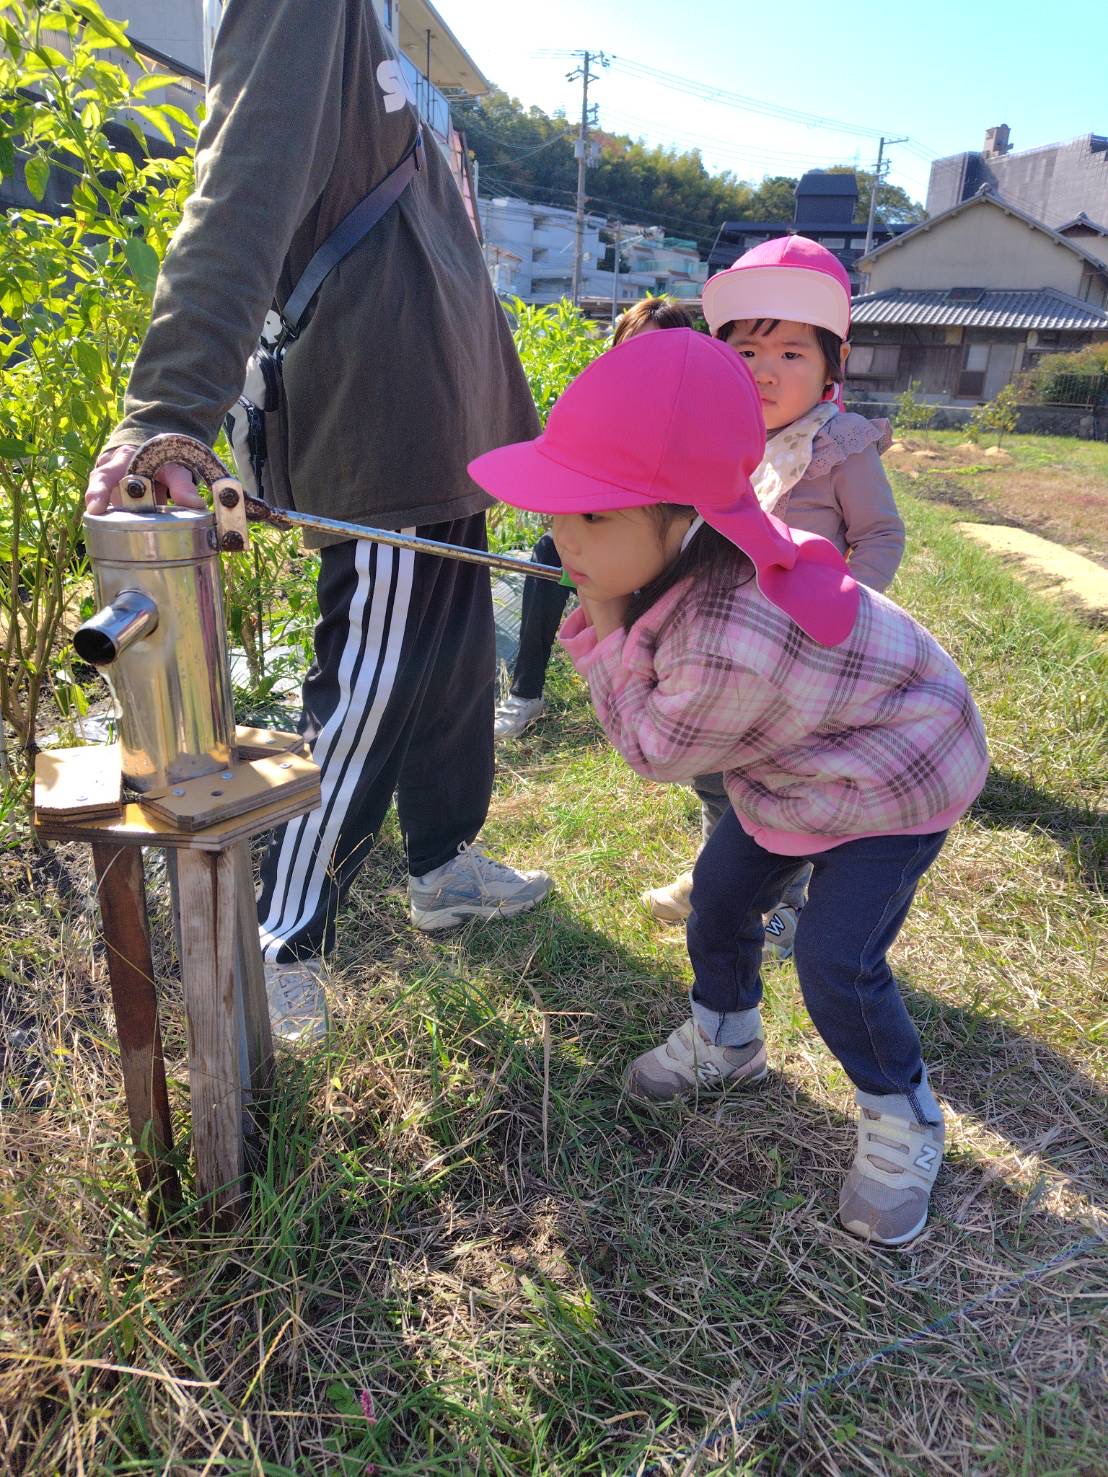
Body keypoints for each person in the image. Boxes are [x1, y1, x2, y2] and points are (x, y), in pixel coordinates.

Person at [84, 0, 551, 1045]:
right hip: (385, 413)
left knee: (452, 661)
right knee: (372, 682)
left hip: (441, 407)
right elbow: (243, 184)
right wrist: (167, 407)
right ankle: (281, 935)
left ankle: (440, 864)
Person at [468, 329, 989, 1247]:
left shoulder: (723, 633)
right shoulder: (699, 556)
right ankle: (728, 1035)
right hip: (806, 759)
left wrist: (598, 623)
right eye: (560, 512)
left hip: (899, 771)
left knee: (837, 957)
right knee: (719, 895)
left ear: (683, 517)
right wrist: (616, 607)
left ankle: (905, 1115)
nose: (563, 540)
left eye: (595, 518)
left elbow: (656, 749)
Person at [642, 236, 906, 960]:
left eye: (792, 353)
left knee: (780, 786)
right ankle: (715, 878)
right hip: (727, 647)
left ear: (831, 367)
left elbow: (881, 535)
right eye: (747, 351)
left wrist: (846, 611)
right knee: (713, 774)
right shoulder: (718, 436)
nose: (765, 371)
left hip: (804, 652)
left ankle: (781, 902)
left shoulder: (837, 443)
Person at [494, 296, 697, 742]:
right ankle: (527, 691)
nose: (643, 365)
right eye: (631, 351)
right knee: (550, 552)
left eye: (657, 352)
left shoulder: (694, 413)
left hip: (673, 540)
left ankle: (634, 682)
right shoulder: (605, 412)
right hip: (615, 537)